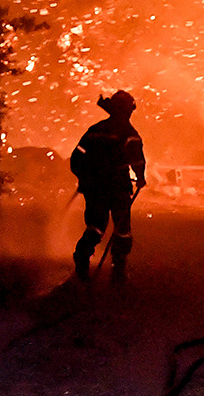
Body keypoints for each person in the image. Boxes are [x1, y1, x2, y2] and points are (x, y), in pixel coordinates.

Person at [69, 90, 146, 282]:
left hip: (94, 188)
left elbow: (77, 157)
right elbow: (137, 161)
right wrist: (140, 178)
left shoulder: (94, 130)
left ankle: (82, 260)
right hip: (118, 188)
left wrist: (83, 178)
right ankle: (118, 270)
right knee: (122, 229)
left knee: (95, 226)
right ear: (128, 111)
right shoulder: (130, 134)